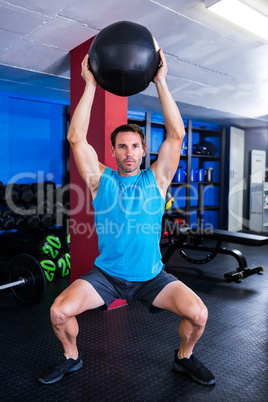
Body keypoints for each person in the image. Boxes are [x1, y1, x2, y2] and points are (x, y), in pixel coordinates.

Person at [38, 49, 215, 386]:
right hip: (107, 276)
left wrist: (161, 82)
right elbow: (76, 138)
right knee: (59, 310)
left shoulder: (157, 180)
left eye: (135, 146)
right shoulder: (100, 180)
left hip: (152, 276)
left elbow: (176, 135)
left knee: (199, 314)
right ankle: (70, 357)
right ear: (114, 150)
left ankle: (184, 358)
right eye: (122, 146)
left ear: (143, 150)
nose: (129, 152)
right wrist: (89, 83)